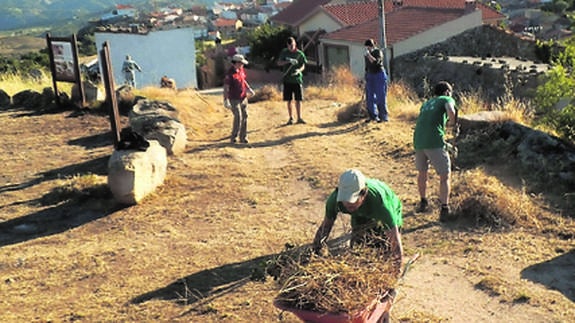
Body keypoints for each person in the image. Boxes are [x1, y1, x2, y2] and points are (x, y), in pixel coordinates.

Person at [312, 169, 404, 276]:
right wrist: (315, 251)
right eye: (345, 199)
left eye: (352, 200)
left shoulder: (381, 204)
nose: (347, 204)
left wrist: (396, 273)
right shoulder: (335, 201)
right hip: (359, 213)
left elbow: (395, 242)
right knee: (357, 244)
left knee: (385, 248)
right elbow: (326, 226)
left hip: (386, 203)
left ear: (363, 193)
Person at [413, 81, 458, 222]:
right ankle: (445, 208)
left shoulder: (426, 103)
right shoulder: (446, 99)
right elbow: (451, 111)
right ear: (446, 92)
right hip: (433, 141)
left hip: (418, 140)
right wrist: (453, 123)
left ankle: (423, 201)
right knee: (445, 175)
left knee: (422, 173)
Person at [223, 54, 255, 144]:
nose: (243, 65)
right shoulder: (230, 74)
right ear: (236, 63)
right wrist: (226, 100)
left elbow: (243, 80)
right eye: (241, 63)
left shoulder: (241, 70)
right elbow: (226, 87)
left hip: (243, 97)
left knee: (245, 116)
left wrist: (249, 89)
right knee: (238, 116)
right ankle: (234, 137)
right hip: (234, 99)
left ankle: (243, 137)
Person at [278, 37, 307, 125]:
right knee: (289, 100)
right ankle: (291, 118)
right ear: (287, 45)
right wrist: (288, 61)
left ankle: (299, 118)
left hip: (297, 80)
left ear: (295, 44)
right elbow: (279, 63)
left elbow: (303, 65)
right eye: (290, 46)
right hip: (287, 80)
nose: (291, 48)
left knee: (298, 99)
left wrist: (299, 70)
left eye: (293, 46)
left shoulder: (300, 54)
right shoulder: (284, 52)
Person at [363, 39, 389, 123]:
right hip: (370, 75)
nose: (368, 48)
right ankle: (373, 116)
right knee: (370, 97)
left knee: (380, 96)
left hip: (379, 74)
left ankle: (383, 117)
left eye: (369, 46)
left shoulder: (378, 52)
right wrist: (366, 76)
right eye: (367, 47)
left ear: (373, 45)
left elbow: (375, 62)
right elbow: (367, 66)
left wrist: (369, 55)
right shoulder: (367, 54)